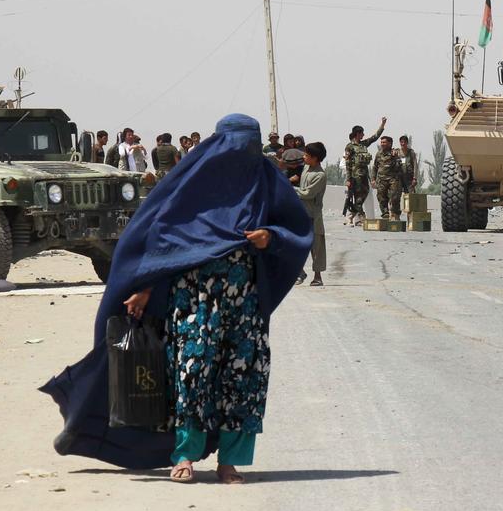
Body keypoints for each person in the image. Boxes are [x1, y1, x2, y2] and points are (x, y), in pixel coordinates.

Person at [41, 114, 313, 482]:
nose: (241, 153)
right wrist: (145, 287)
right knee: (192, 373)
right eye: (234, 144)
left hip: (245, 303)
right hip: (194, 301)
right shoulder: (192, 183)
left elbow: (295, 228)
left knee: (242, 380)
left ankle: (229, 462)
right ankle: (184, 454)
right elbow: (161, 239)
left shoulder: (266, 181)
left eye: (248, 145)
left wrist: (271, 237)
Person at [293, 142, 327, 287]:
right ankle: (300, 272)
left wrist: (291, 189)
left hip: (313, 215)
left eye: (307, 155)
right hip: (301, 213)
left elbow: (307, 193)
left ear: (315, 158)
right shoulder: (306, 168)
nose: (304, 157)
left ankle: (317, 277)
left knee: (316, 247)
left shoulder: (320, 175)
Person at [343, 117, 386, 225]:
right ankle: (359, 217)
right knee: (358, 197)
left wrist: (382, 125)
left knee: (364, 193)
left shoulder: (363, 144)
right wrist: (348, 179)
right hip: (355, 176)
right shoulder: (350, 147)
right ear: (357, 134)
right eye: (362, 133)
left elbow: (375, 137)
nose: (363, 135)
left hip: (364, 175)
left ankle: (352, 215)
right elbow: (348, 164)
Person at [372, 135, 403, 219]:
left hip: (393, 179)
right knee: (381, 197)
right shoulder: (378, 154)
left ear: (390, 144)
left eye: (384, 142)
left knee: (395, 197)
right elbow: (375, 167)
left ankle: (395, 214)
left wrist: (395, 157)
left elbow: (400, 165)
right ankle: (385, 213)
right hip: (381, 180)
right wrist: (373, 179)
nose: (382, 144)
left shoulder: (395, 152)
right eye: (381, 142)